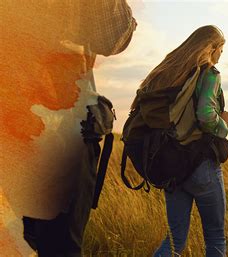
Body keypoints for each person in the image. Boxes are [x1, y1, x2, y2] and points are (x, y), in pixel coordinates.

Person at [0, 0, 136, 256]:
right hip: (57, 125)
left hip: (12, 118)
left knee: (22, 239)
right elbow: (113, 36)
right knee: (58, 245)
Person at [131, 25, 228, 257]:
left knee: (175, 241)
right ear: (212, 48)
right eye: (221, 51)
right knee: (215, 237)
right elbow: (206, 115)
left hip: (170, 165)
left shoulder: (169, 73)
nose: (220, 57)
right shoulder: (209, 74)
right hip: (201, 166)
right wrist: (223, 123)